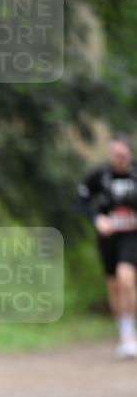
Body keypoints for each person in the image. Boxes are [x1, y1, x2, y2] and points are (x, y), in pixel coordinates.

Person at [77, 133, 137, 359]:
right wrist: (97, 218)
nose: (118, 158)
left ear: (129, 153)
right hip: (109, 238)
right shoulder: (100, 176)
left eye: (122, 154)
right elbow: (80, 200)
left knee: (126, 278)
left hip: (132, 235)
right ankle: (125, 333)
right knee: (114, 286)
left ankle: (131, 334)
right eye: (114, 154)